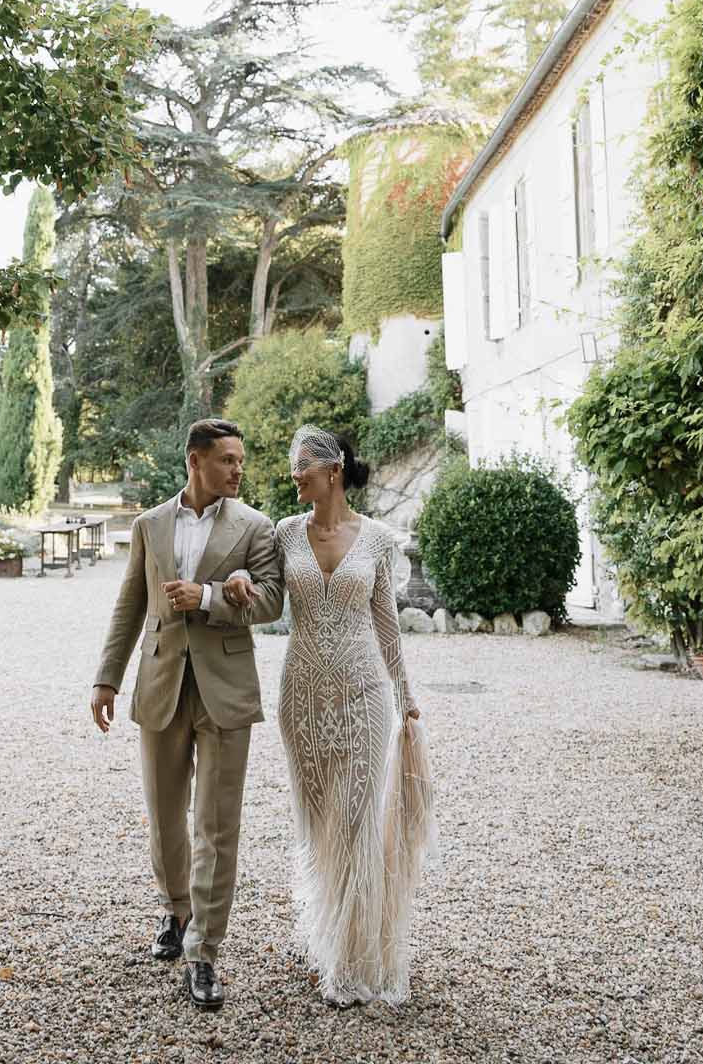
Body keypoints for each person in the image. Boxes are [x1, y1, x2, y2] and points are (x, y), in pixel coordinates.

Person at [226, 425, 437, 1007]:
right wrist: (240, 581)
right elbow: (266, 589)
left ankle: (354, 961)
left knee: (357, 822)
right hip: (301, 699)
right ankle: (329, 937)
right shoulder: (285, 532)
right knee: (319, 826)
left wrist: (406, 694)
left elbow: (386, 622)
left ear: (333, 470)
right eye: (294, 467)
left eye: (301, 467)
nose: (293, 475)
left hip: (363, 695)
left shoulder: (375, 541)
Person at [90, 417, 283, 1013]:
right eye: (228, 459)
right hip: (160, 684)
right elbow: (130, 605)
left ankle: (204, 951)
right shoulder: (149, 524)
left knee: (217, 824)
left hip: (226, 688)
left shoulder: (255, 527)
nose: (238, 469)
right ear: (195, 460)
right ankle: (176, 911)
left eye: (240, 460)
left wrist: (211, 597)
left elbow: (272, 600)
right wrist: (106, 677)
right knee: (165, 818)